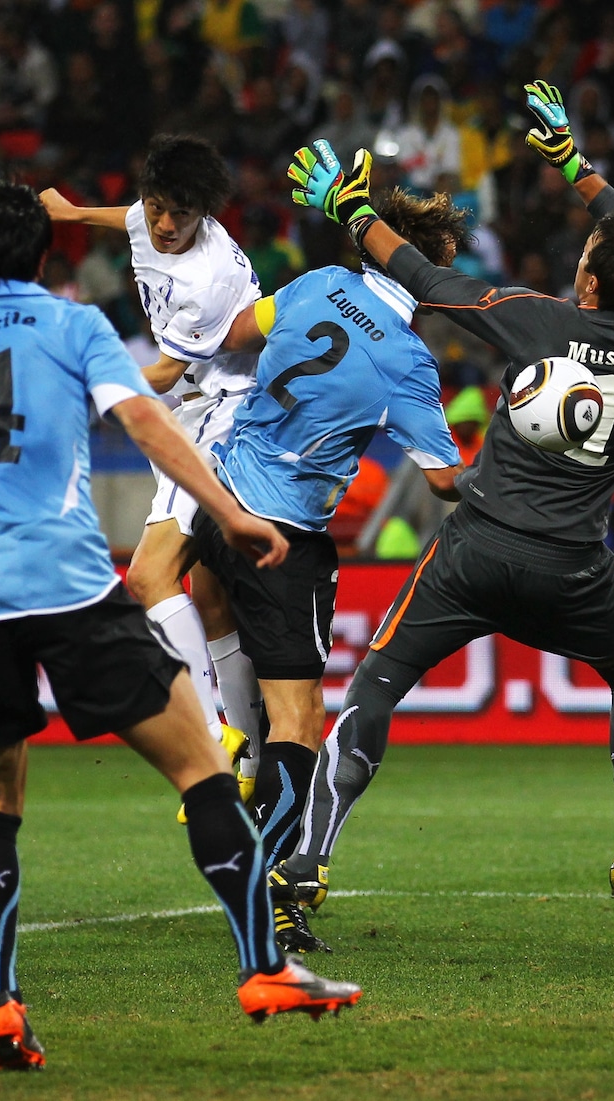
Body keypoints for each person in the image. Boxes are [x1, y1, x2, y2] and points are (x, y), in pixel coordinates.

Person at [0, 181, 360, 1070]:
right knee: (202, 766)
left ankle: (0, 1001)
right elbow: (150, 425)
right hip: (69, 588)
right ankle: (264, 968)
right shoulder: (72, 326)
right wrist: (229, 513)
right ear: (40, 253)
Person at [274, 81, 614, 944]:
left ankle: (308, 860)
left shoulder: (537, 322)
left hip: (474, 551)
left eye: (586, 252)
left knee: (375, 686)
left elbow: (423, 276)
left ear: (587, 279)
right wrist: (577, 167)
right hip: (574, 569)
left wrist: (352, 210)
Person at [196, 186, 468, 952]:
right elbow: (444, 480)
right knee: (302, 721)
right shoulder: (407, 360)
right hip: (282, 538)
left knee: (236, 658)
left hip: (217, 501)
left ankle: (236, 748)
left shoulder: (318, 282)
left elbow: (236, 333)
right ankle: (263, 888)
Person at [41, 135, 265, 766]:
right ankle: (251, 760)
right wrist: (75, 214)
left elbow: (165, 373)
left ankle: (208, 732)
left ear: (204, 214)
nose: (164, 225)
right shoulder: (154, 217)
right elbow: (133, 220)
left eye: (180, 215)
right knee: (210, 598)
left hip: (223, 414)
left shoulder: (207, 279)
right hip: (192, 410)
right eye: (156, 206)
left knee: (147, 576)